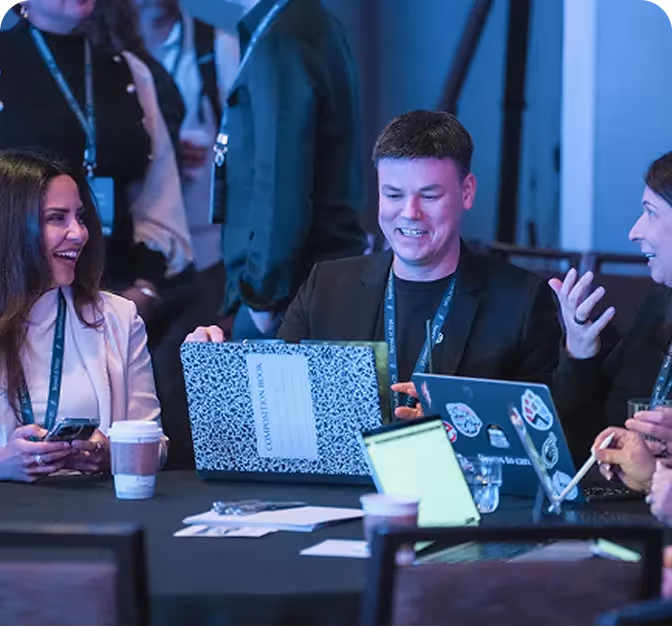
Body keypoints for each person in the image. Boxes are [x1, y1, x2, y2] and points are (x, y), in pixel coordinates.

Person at [188, 110, 562, 420]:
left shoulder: (521, 301)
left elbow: (544, 430)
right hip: (343, 499)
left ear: (466, 192)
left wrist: (452, 418)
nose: (409, 213)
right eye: (393, 195)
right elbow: (276, 403)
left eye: (429, 196)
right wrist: (215, 366)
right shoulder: (328, 286)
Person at [0, 0, 194, 323]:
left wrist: (144, 288)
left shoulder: (128, 70)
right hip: (18, 301)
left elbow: (160, 196)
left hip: (117, 295)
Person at [0, 150, 165, 482]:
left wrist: (110, 455)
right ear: (11, 226)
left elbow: (156, 444)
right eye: (57, 218)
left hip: (93, 522)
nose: (79, 233)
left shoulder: (119, 317)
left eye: (80, 216)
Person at [214, 0, 368, 340]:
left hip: (286, 297)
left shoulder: (280, 37)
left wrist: (261, 296)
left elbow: (280, 183)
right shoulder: (310, 22)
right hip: (319, 286)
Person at [133, 0, 239, 468]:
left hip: (208, 246)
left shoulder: (219, 48)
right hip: (133, 247)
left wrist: (218, 150)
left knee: (184, 376)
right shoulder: (107, 52)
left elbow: (248, 142)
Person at [552, 151, 672, 484]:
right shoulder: (657, 307)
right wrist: (580, 353)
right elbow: (576, 443)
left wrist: (654, 476)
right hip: (617, 509)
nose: (634, 232)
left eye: (651, 213)